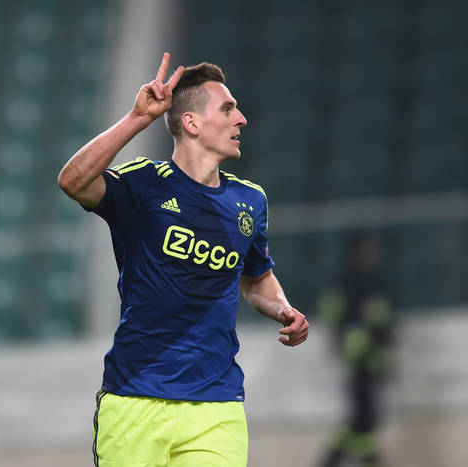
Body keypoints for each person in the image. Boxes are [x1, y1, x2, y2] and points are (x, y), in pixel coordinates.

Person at [57, 52, 309, 467]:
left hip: (217, 406)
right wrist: (137, 119)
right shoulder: (144, 184)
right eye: (227, 109)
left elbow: (255, 278)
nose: (241, 119)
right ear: (191, 123)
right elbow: (72, 181)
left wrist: (283, 308)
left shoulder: (250, 201)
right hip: (136, 397)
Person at [317, 233, 393, 467]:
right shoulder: (347, 283)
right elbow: (333, 316)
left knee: (364, 414)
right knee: (364, 414)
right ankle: (357, 458)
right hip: (357, 358)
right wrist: (349, 342)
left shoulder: (372, 282)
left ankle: (339, 458)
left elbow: (382, 321)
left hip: (369, 358)